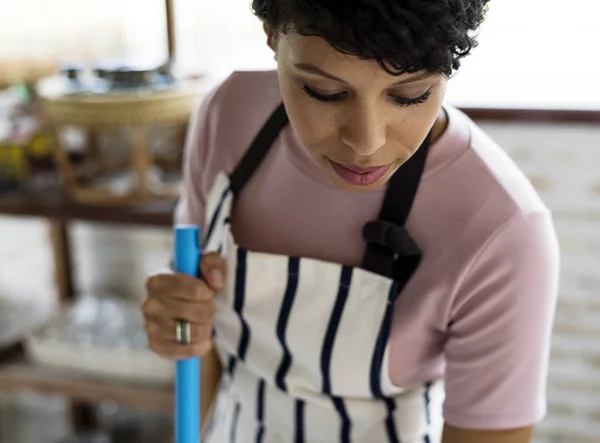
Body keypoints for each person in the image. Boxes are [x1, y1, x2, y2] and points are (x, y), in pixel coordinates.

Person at [142, 1, 560, 442]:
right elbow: (195, 323)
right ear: (270, 33)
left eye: (409, 95)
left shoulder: (504, 230)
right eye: (324, 92)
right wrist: (181, 322)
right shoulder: (229, 115)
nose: (366, 143)